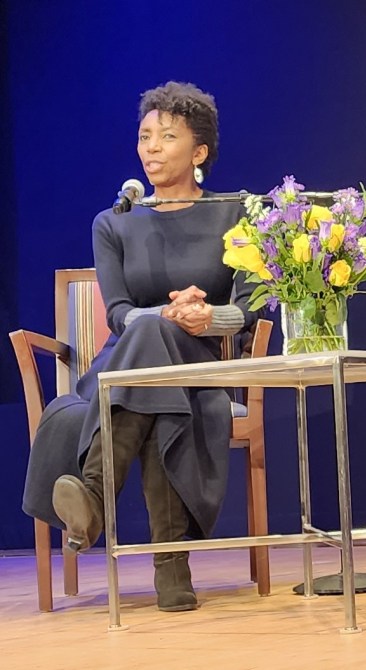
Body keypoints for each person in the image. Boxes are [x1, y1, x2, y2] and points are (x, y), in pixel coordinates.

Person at [22, 82, 259, 612]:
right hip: (121, 364)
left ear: (198, 152)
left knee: (161, 379)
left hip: (200, 364)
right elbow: (119, 314)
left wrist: (204, 317)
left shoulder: (236, 214)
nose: (151, 147)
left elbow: (249, 308)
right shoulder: (114, 222)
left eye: (167, 136)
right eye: (145, 136)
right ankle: (170, 567)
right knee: (151, 344)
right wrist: (164, 314)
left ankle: (94, 492)